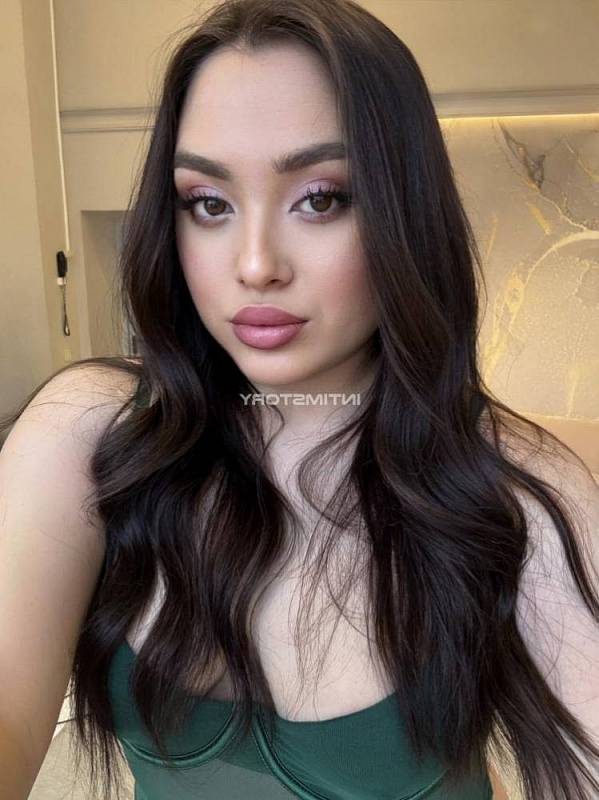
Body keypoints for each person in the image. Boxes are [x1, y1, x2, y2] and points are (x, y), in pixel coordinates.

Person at [1, 1, 598, 798]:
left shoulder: (520, 489)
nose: (254, 265)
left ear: (403, 211)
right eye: (208, 203)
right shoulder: (89, 430)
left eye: (319, 198)